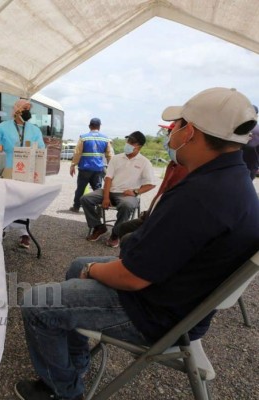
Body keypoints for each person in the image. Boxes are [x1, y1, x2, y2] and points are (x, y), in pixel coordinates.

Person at [15, 87, 259, 400]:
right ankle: (75, 363)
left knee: (38, 303)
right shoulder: (232, 181)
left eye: (177, 126)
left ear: (192, 133)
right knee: (76, 266)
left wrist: (93, 270)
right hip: (180, 298)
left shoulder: (201, 196)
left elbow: (132, 278)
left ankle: (61, 390)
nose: (173, 133)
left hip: (155, 312)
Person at [0, 99, 45, 248]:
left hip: (28, 171)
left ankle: (25, 234)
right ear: (16, 110)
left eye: (29, 108)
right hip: (9, 168)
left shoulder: (35, 130)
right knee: (7, 200)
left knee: (26, 201)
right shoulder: (4, 126)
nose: (28, 111)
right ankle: (3, 228)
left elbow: (41, 147)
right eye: (25, 108)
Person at [81, 131, 155, 248]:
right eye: (128, 141)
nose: (128, 144)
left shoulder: (145, 162)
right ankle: (99, 227)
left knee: (127, 205)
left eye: (132, 142)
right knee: (86, 199)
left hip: (127, 195)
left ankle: (116, 234)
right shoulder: (116, 158)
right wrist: (106, 197)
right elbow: (108, 178)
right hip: (109, 191)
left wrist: (135, 192)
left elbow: (151, 184)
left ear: (139, 146)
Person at [117, 122, 189, 243]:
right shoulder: (173, 164)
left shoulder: (185, 167)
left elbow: (173, 200)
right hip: (153, 215)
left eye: (170, 133)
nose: (166, 138)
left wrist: (135, 192)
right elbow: (162, 193)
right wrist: (149, 212)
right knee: (123, 229)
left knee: (127, 237)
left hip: (164, 220)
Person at [69, 118, 113, 212]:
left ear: (89, 126)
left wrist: (73, 165)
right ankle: (99, 210)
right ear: (99, 127)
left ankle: (76, 207)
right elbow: (109, 155)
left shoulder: (84, 137)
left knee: (80, 189)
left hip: (85, 167)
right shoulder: (105, 138)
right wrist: (113, 168)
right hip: (98, 168)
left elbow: (77, 153)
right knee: (97, 189)